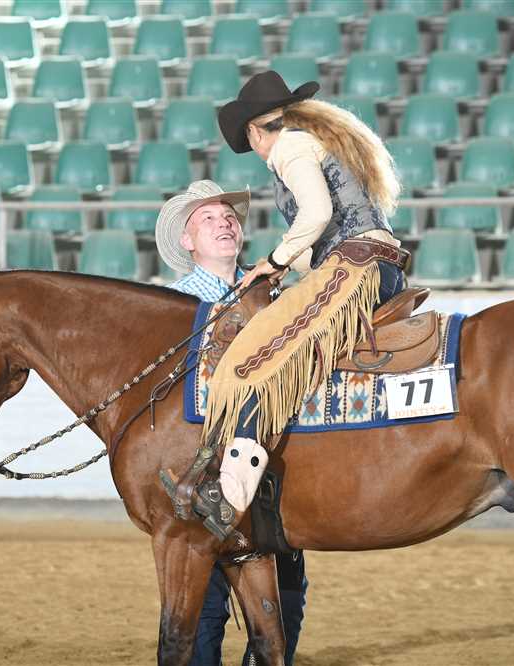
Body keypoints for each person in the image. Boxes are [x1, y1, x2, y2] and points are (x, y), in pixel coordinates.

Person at [167, 70, 409, 543]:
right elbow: (322, 236)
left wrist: (276, 260)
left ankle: (231, 491)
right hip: (368, 261)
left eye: (251, 143)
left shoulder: (289, 146)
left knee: (262, 350)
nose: (258, 153)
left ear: (255, 131)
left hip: (356, 268)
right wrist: (280, 263)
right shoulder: (317, 141)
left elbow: (317, 215)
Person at [157, 180, 308, 666]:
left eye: (228, 217)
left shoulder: (274, 292)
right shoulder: (170, 309)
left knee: (286, 605)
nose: (224, 223)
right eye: (208, 218)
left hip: (269, 477)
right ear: (187, 240)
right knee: (204, 611)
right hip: (203, 480)